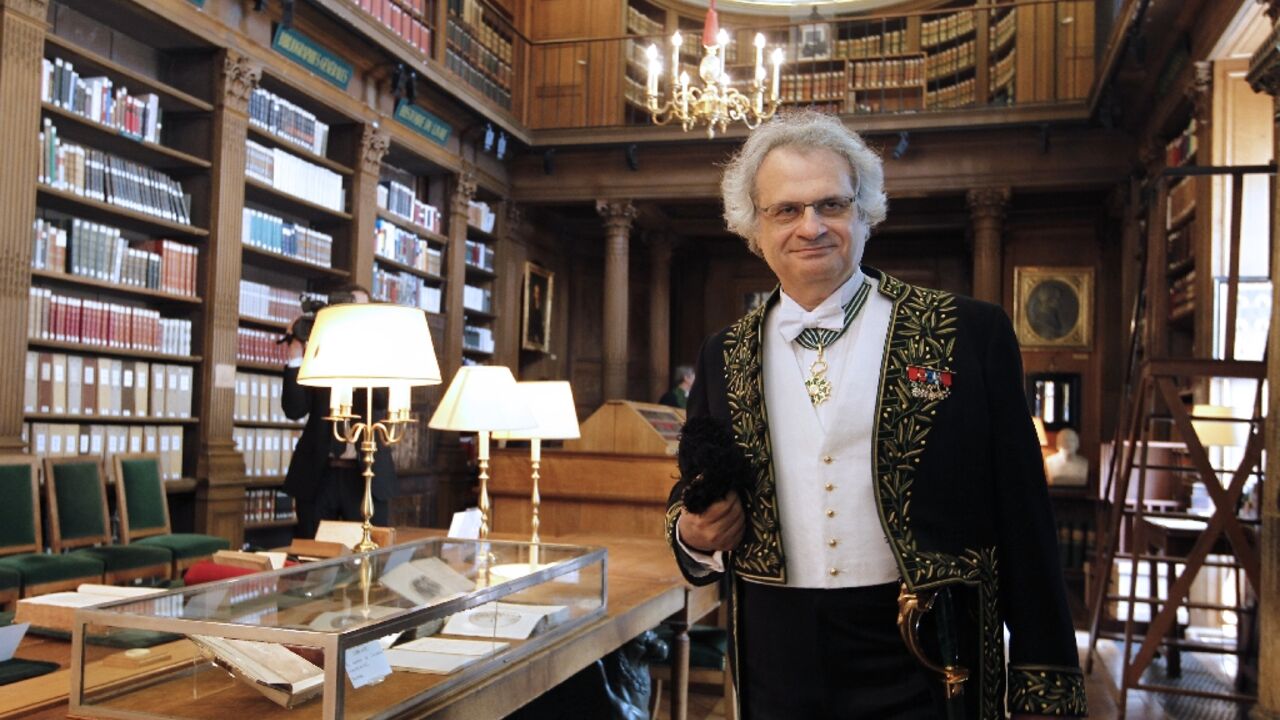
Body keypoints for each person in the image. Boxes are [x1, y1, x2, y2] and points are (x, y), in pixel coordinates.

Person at [666, 110, 1085, 720]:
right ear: (754, 227)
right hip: (776, 651)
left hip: (930, 653)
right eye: (787, 210)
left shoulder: (966, 333)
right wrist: (692, 534)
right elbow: (695, 488)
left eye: (831, 205)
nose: (811, 226)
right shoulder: (722, 353)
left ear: (865, 213)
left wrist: (1045, 685)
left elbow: (1025, 515)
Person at [281, 283, 396, 539]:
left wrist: (357, 349)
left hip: (367, 473)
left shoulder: (379, 351)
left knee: (368, 550)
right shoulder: (320, 353)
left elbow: (380, 399)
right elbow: (294, 409)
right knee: (313, 551)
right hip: (318, 472)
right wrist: (296, 355)